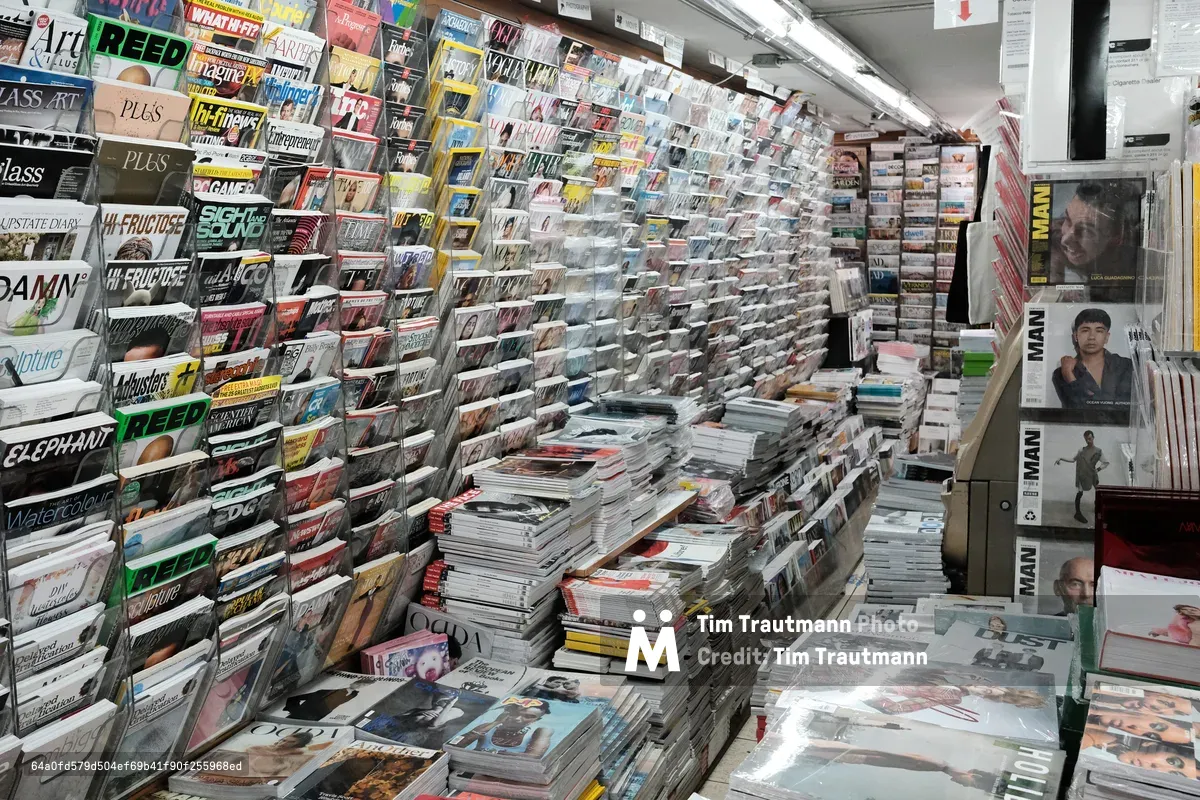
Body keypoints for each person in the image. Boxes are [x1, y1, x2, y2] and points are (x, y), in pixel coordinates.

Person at [1048, 180, 1141, 284]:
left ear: (1117, 237)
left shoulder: (1135, 266)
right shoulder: (1049, 239)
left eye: (1086, 230)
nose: (1064, 240)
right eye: (1068, 220)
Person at [1051, 308, 1133, 409]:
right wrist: (1069, 375)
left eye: (1099, 331)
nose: (1091, 337)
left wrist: (1072, 380)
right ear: (1076, 336)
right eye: (1085, 330)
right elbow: (1077, 410)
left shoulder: (1126, 366)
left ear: (1107, 337)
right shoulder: (1061, 373)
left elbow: (1123, 408)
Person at [451, 699, 554, 756]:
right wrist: (496, 722)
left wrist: (490, 752)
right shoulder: (489, 726)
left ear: (536, 720)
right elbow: (455, 745)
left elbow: (533, 757)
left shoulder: (541, 731)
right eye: (515, 713)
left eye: (528, 716)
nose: (518, 718)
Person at [1054, 429, 1109, 524]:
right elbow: (1073, 459)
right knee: (1080, 493)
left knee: (1098, 491)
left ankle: (1098, 508)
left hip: (1092, 475)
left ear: (1093, 438)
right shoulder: (1081, 450)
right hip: (1082, 475)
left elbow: (1106, 463)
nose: (1088, 441)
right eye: (1086, 439)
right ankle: (1078, 513)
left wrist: (1097, 470)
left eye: (1090, 438)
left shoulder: (1098, 451)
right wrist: (1061, 458)